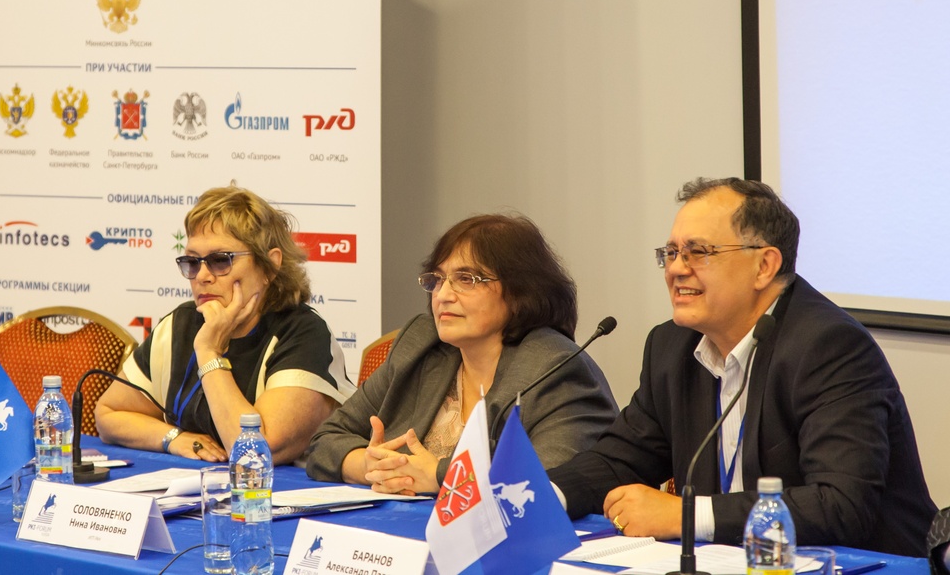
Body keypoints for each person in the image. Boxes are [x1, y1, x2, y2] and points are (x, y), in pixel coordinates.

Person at [548, 177, 936, 556]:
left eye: (698, 252)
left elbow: (839, 505)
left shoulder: (830, 347)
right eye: (671, 252)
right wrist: (537, 499)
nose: (676, 269)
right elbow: (618, 460)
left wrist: (686, 516)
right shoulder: (671, 346)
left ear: (764, 266)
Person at [305, 213, 617, 493]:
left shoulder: (556, 367)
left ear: (520, 292)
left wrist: (439, 476)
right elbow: (325, 440)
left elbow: (548, 480)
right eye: (438, 280)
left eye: (466, 279)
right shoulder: (423, 345)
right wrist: (372, 466)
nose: (442, 295)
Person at [94, 185, 354, 464]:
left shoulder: (303, 334)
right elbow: (108, 414)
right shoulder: (180, 324)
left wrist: (209, 352)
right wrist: (173, 438)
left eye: (220, 261)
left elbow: (257, 451)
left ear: (269, 266)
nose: (202, 276)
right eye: (193, 262)